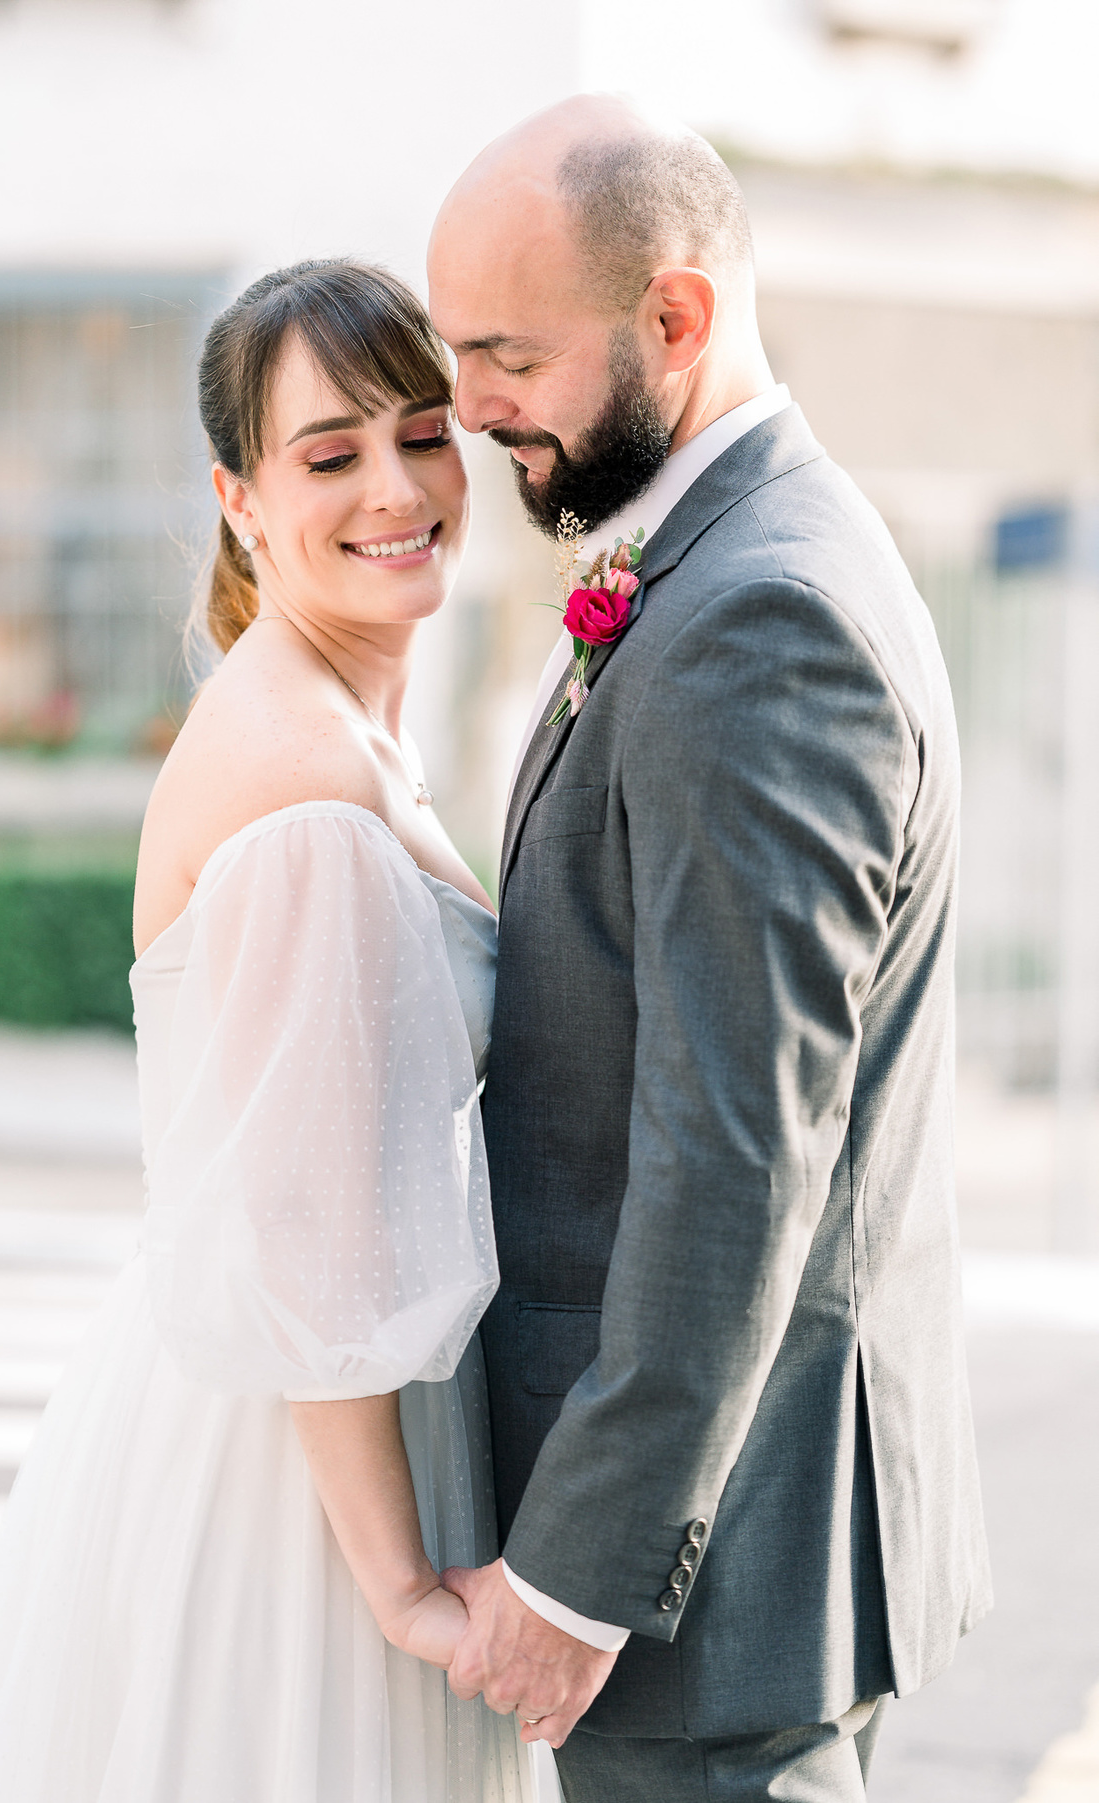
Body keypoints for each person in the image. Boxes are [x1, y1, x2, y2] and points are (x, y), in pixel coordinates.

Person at [0, 260, 558, 1803]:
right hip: (304, 1476)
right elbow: (310, 1227)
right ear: (240, 500)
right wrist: (399, 1588)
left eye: (422, 435)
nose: (395, 487)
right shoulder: (304, 789)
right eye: (331, 455)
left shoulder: (338, 728)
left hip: (310, 1411)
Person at [426, 97, 992, 1800]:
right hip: (742, 1556)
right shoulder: (723, 559)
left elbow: (736, 1145)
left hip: (716, 1586)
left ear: (673, 318)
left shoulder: (761, 614)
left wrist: (580, 1574)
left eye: (510, 355)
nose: (471, 409)